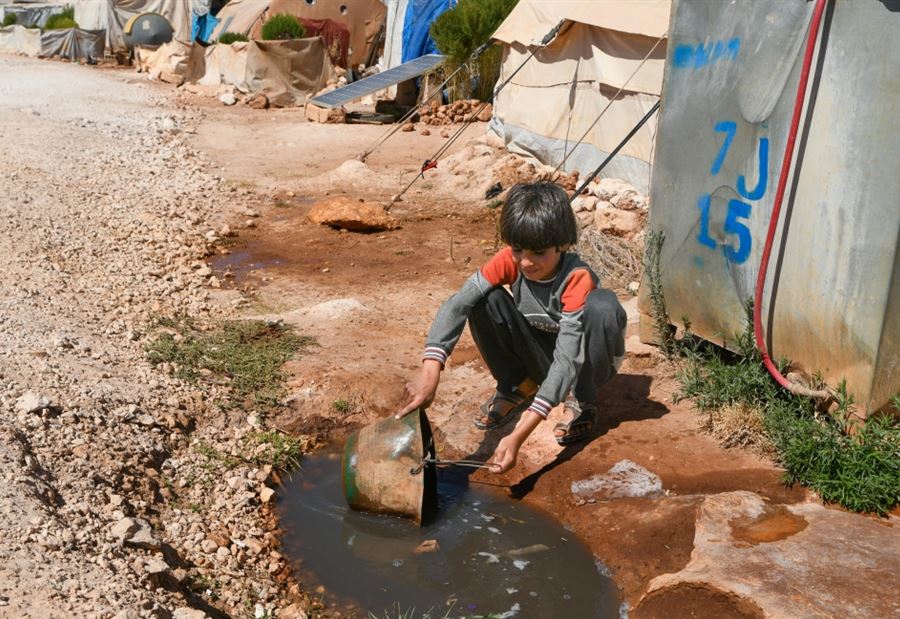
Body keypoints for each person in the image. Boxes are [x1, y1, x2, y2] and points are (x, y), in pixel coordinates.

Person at [396, 182, 626, 473]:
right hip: (542, 355)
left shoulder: (576, 277)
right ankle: (519, 384)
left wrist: (519, 434)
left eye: (539, 252)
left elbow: (567, 358)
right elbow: (457, 304)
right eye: (518, 249)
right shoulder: (509, 261)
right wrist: (430, 374)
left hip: (580, 360)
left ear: (563, 244)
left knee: (602, 306)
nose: (526, 262)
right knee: (483, 300)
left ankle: (581, 399)